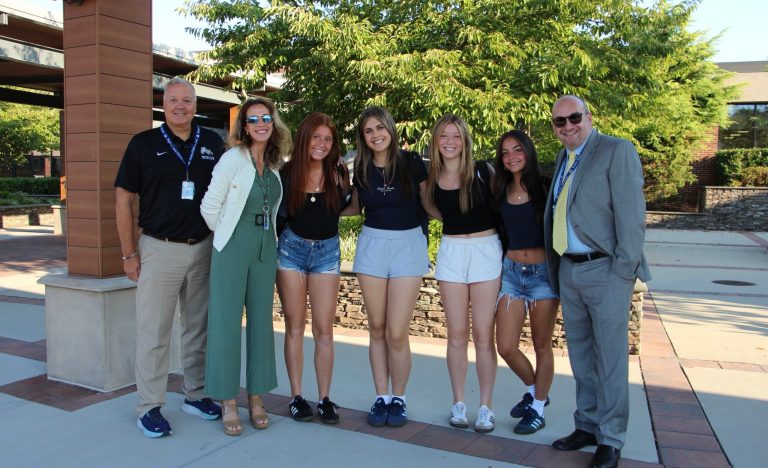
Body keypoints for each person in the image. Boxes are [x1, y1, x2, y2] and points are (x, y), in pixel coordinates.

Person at [115, 77, 224, 438]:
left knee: (198, 328)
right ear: (163, 104)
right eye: (174, 100)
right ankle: (149, 406)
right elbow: (124, 200)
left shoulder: (212, 143)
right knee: (154, 332)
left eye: (187, 100)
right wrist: (129, 253)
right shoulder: (143, 144)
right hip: (159, 249)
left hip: (203, 247)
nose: (181, 106)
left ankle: (195, 394)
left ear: (195, 105)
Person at [545, 95, 650, 468]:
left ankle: (611, 438)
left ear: (589, 117)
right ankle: (587, 425)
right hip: (569, 269)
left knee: (610, 359)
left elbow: (632, 216)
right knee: (581, 355)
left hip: (606, 271)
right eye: (560, 121)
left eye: (574, 118)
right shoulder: (564, 158)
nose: (568, 126)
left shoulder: (616, 151)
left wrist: (623, 271)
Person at [200, 97, 291, 436]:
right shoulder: (233, 159)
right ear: (245, 126)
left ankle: (256, 397)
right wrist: (227, 235)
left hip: (265, 245)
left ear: (273, 122)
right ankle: (227, 400)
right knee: (225, 322)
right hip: (233, 244)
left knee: (261, 322)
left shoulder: (275, 163)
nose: (260, 124)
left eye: (266, 118)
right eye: (253, 119)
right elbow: (209, 207)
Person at [345, 106, 430, 427]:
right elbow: (354, 208)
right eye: (368, 130)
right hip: (372, 246)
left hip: (408, 245)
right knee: (377, 328)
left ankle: (400, 399)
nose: (376, 135)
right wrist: (314, 209)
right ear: (363, 137)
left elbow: (429, 204)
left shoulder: (412, 163)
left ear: (390, 129)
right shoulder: (361, 168)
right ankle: (381, 397)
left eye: (380, 128)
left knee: (396, 332)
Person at [426, 115, 501, 433]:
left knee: (484, 335)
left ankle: (486, 407)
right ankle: (458, 403)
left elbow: (503, 205)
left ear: (465, 140)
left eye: (456, 136)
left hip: (486, 251)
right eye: (444, 135)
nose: (450, 142)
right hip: (452, 252)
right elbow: (431, 209)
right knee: (456, 333)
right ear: (436, 140)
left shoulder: (484, 171)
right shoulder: (431, 177)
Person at [275, 113, 351, 424]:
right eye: (316, 137)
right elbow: (278, 216)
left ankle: (324, 399)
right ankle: (296, 397)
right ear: (305, 138)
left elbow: (348, 206)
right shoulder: (287, 173)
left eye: (328, 139)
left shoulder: (338, 174)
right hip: (291, 251)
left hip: (326, 253)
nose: (322, 144)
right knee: (294, 325)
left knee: (323, 329)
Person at [491, 130, 559, 435]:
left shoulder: (546, 187)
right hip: (511, 274)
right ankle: (535, 390)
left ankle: (538, 408)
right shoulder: (499, 190)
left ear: (528, 152)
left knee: (542, 345)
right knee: (506, 346)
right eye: (505, 152)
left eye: (517, 150)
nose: (511, 157)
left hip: (543, 275)